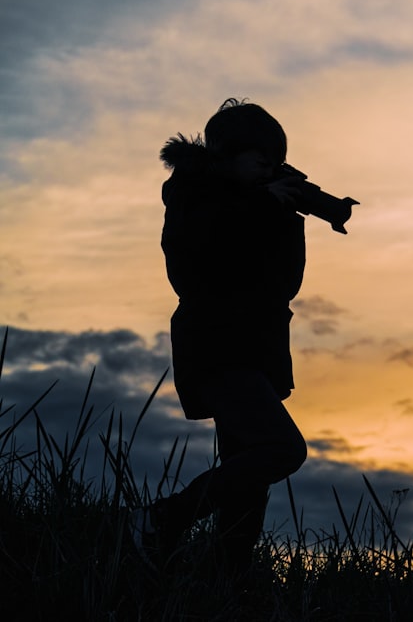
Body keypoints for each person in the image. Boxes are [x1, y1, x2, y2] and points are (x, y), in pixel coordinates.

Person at [132, 98, 310, 577]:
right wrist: (260, 205)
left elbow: (285, 284)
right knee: (282, 450)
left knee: (248, 471)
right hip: (216, 347)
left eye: (275, 160)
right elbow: (196, 258)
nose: (270, 168)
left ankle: (227, 578)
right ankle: (164, 517)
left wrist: (286, 211)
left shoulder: (260, 205)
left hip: (258, 350)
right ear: (227, 157)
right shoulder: (194, 196)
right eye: (261, 159)